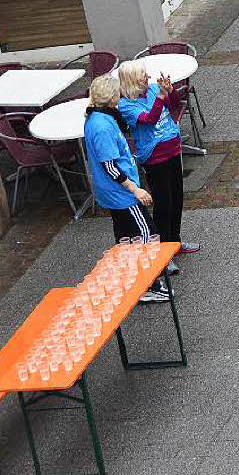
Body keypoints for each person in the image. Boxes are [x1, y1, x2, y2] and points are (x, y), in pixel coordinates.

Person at [83, 75, 168, 302]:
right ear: (111, 97)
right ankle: (150, 284)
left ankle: (132, 279)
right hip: (121, 194)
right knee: (147, 234)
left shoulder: (99, 117)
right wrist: (135, 190)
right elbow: (110, 166)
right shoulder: (101, 127)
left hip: (112, 193)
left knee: (126, 237)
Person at [117, 60, 200, 277]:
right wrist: (161, 97)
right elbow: (150, 119)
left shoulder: (154, 89)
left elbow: (172, 105)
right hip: (155, 158)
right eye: (143, 75)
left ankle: (175, 242)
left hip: (173, 149)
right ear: (133, 80)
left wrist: (169, 92)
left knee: (177, 199)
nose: (148, 77)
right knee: (163, 205)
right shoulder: (127, 105)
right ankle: (164, 253)